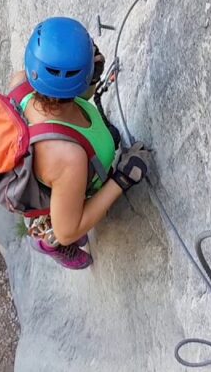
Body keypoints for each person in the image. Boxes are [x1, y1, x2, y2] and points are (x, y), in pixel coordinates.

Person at [8, 17, 151, 269]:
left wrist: (88, 82)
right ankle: (47, 241)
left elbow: (58, 101)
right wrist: (122, 180)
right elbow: (69, 230)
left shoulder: (22, 83)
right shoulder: (68, 157)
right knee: (66, 229)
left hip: (53, 168)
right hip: (64, 189)